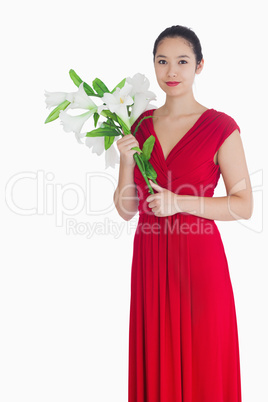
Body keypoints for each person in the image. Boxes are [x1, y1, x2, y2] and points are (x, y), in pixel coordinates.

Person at [114, 25, 253, 402]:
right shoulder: (139, 125)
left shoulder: (221, 127)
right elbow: (127, 210)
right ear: (154, 66)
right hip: (150, 260)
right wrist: (126, 162)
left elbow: (244, 204)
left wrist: (181, 202)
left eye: (182, 62)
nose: (171, 72)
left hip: (199, 263)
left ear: (199, 66)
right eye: (162, 62)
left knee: (203, 360)